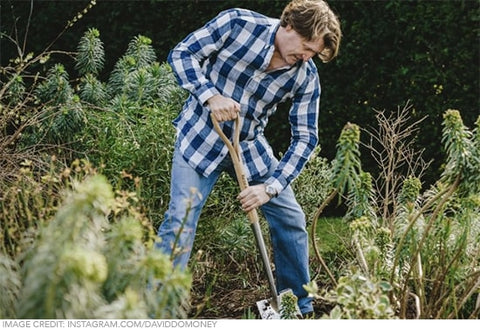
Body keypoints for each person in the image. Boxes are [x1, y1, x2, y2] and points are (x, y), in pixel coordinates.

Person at [157, 0, 341, 316]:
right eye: (307, 47)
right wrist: (210, 96)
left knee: (291, 218)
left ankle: (297, 306)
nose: (307, 57)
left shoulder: (304, 75)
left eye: (314, 53)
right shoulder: (237, 24)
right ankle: (155, 308)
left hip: (247, 145)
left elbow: (306, 138)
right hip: (200, 137)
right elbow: (182, 54)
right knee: (181, 218)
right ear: (289, 26)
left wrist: (268, 188)